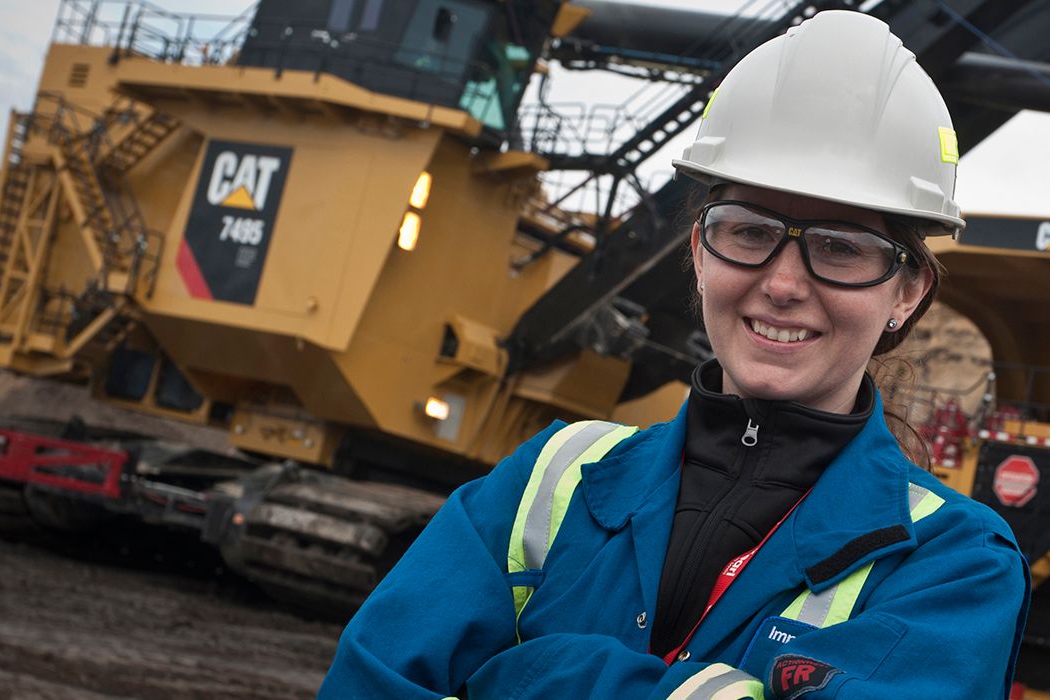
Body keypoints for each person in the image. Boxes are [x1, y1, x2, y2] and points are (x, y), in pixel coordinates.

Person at [318, 10, 1030, 699]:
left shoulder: (954, 567)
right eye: (749, 232)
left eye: (840, 248)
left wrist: (526, 674)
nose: (782, 284)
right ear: (698, 253)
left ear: (907, 293)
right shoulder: (552, 477)